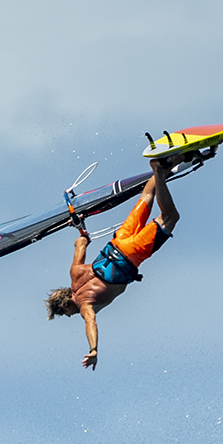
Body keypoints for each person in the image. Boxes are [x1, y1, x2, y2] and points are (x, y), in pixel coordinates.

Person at [44, 158, 179, 369]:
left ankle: (159, 171)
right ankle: (169, 163)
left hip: (133, 252)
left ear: (65, 305)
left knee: (170, 217)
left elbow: (90, 323)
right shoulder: (74, 273)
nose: (69, 316)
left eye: (65, 314)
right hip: (119, 240)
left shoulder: (84, 305)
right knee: (147, 196)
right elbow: (80, 243)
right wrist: (81, 230)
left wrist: (93, 350)